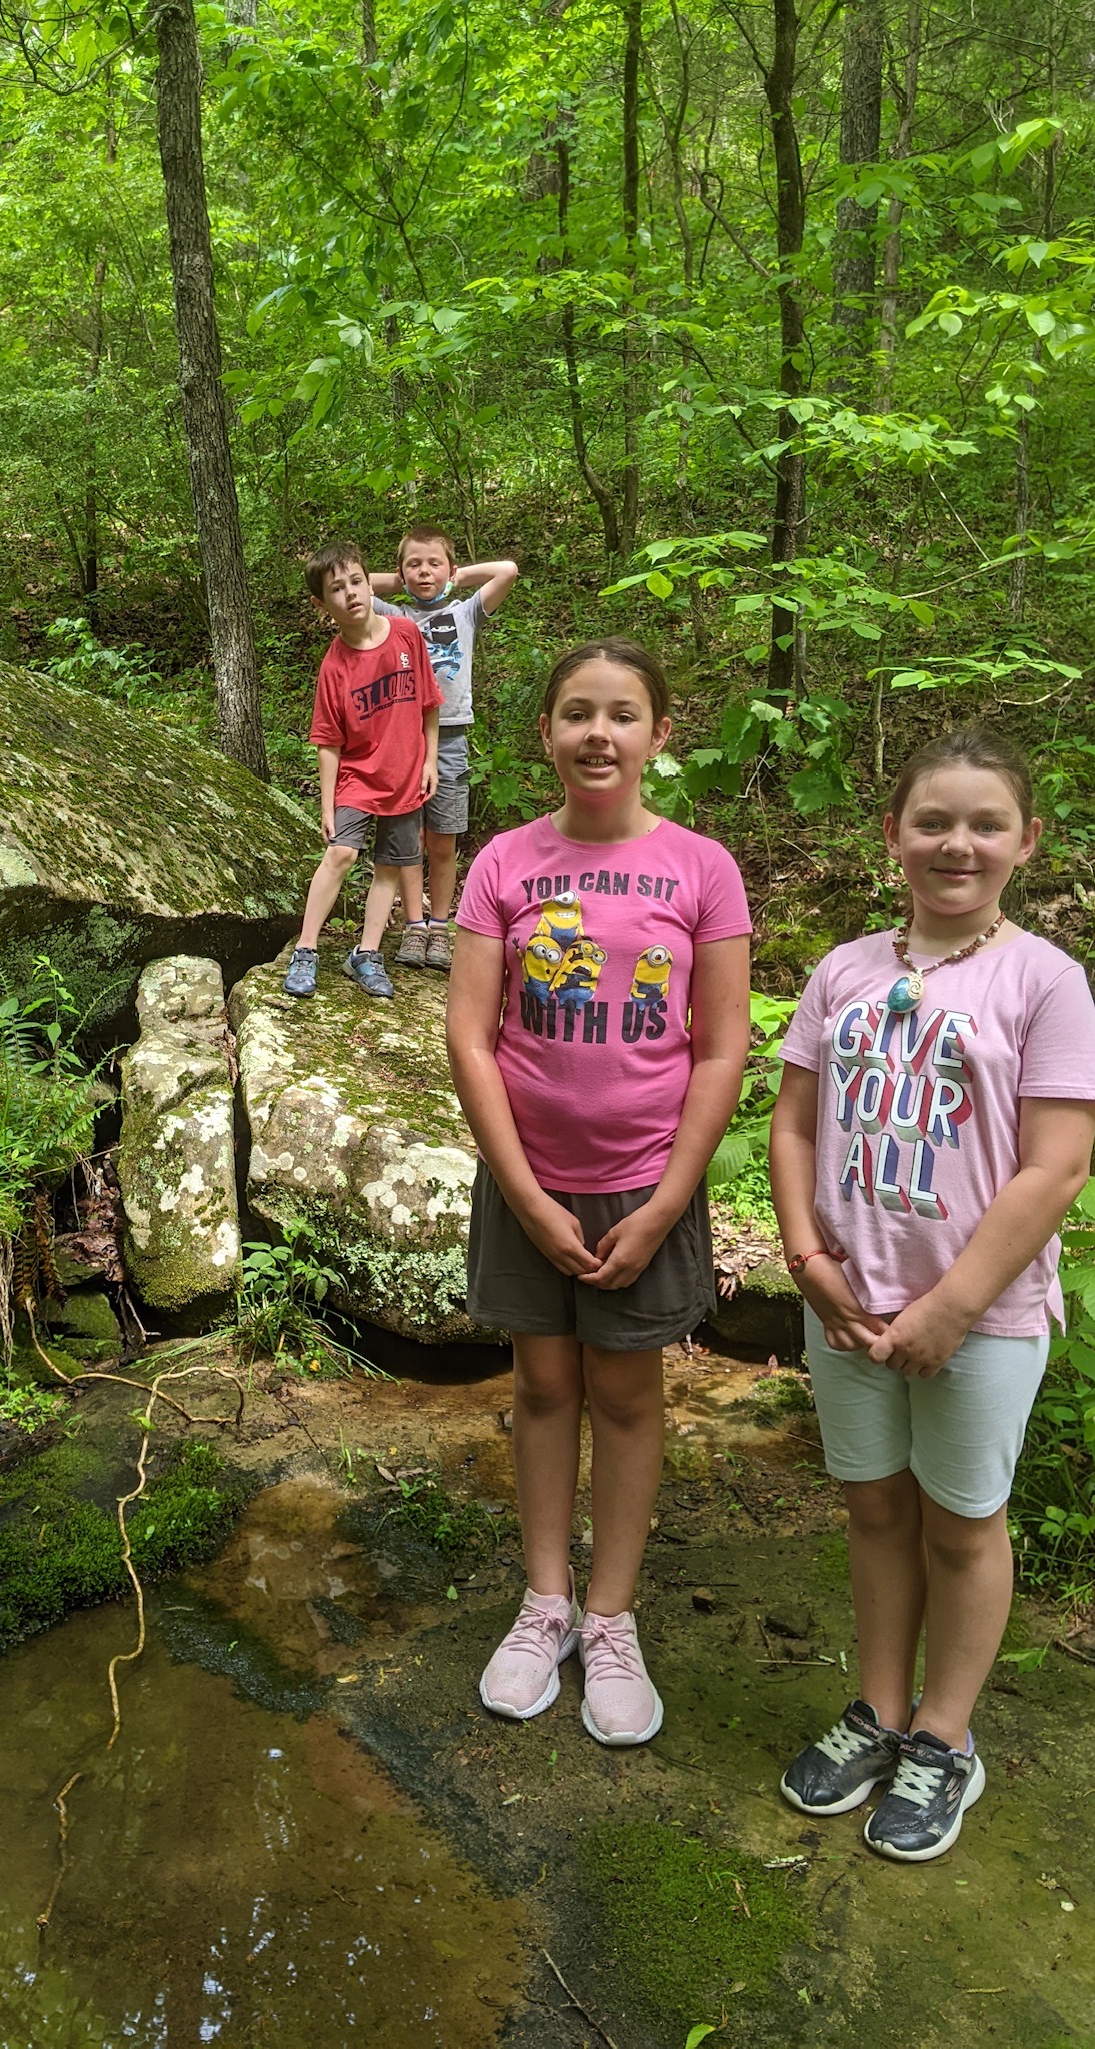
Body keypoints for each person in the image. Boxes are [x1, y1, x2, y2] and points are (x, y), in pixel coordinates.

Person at [769, 727, 1095, 1862]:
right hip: (847, 1304)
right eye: (932, 821)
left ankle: (942, 1738)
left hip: (980, 1318)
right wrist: (809, 1264)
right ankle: (877, 1709)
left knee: (963, 1528)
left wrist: (955, 1306)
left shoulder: (1043, 980)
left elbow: (1055, 1164)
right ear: (893, 836)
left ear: (1024, 840)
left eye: (981, 824)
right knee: (874, 1510)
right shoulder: (843, 970)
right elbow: (792, 1123)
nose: (954, 843)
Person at [447, 637, 750, 1744]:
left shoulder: (701, 869)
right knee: (539, 1388)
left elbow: (720, 1050)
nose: (598, 734)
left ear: (658, 737)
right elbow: (472, 1038)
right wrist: (524, 1197)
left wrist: (670, 1200)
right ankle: (543, 1604)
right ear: (544, 734)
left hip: (644, 1184)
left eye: (623, 715)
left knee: (625, 1395)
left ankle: (611, 1616)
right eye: (576, 713)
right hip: (529, 1181)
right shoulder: (502, 866)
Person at [282, 542, 441, 1001]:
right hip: (357, 776)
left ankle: (366, 953)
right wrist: (328, 803)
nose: (350, 594)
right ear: (322, 603)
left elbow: (429, 704)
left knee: (390, 866)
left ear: (371, 584)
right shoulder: (334, 666)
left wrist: (429, 761)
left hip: (406, 774)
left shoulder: (407, 634)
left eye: (356, 582)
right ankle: (306, 949)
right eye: (337, 589)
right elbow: (329, 742)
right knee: (341, 854)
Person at [368, 525, 519, 972]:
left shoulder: (465, 612)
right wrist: (400, 580)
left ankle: (439, 925)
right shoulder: (394, 617)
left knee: (443, 839)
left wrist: (453, 576)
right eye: (413, 563)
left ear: (450, 570)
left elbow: (507, 570)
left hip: (451, 737)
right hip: (403, 737)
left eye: (433, 563)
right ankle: (413, 925)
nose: (423, 571)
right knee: (408, 838)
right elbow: (347, 583)